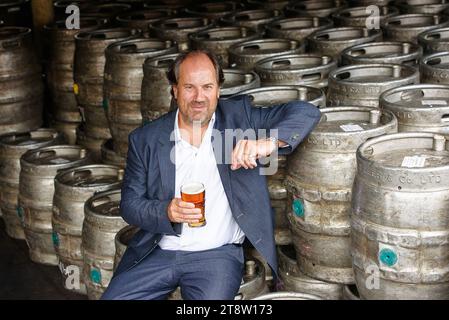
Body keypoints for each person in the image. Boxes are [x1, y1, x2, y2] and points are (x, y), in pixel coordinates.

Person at [101, 49, 321, 300]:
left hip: (216, 256)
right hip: (159, 251)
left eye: (207, 86)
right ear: (174, 90)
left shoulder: (241, 120)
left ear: (218, 89)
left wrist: (267, 143)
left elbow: (306, 112)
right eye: (189, 87)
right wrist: (166, 211)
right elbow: (129, 205)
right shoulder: (146, 139)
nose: (199, 97)